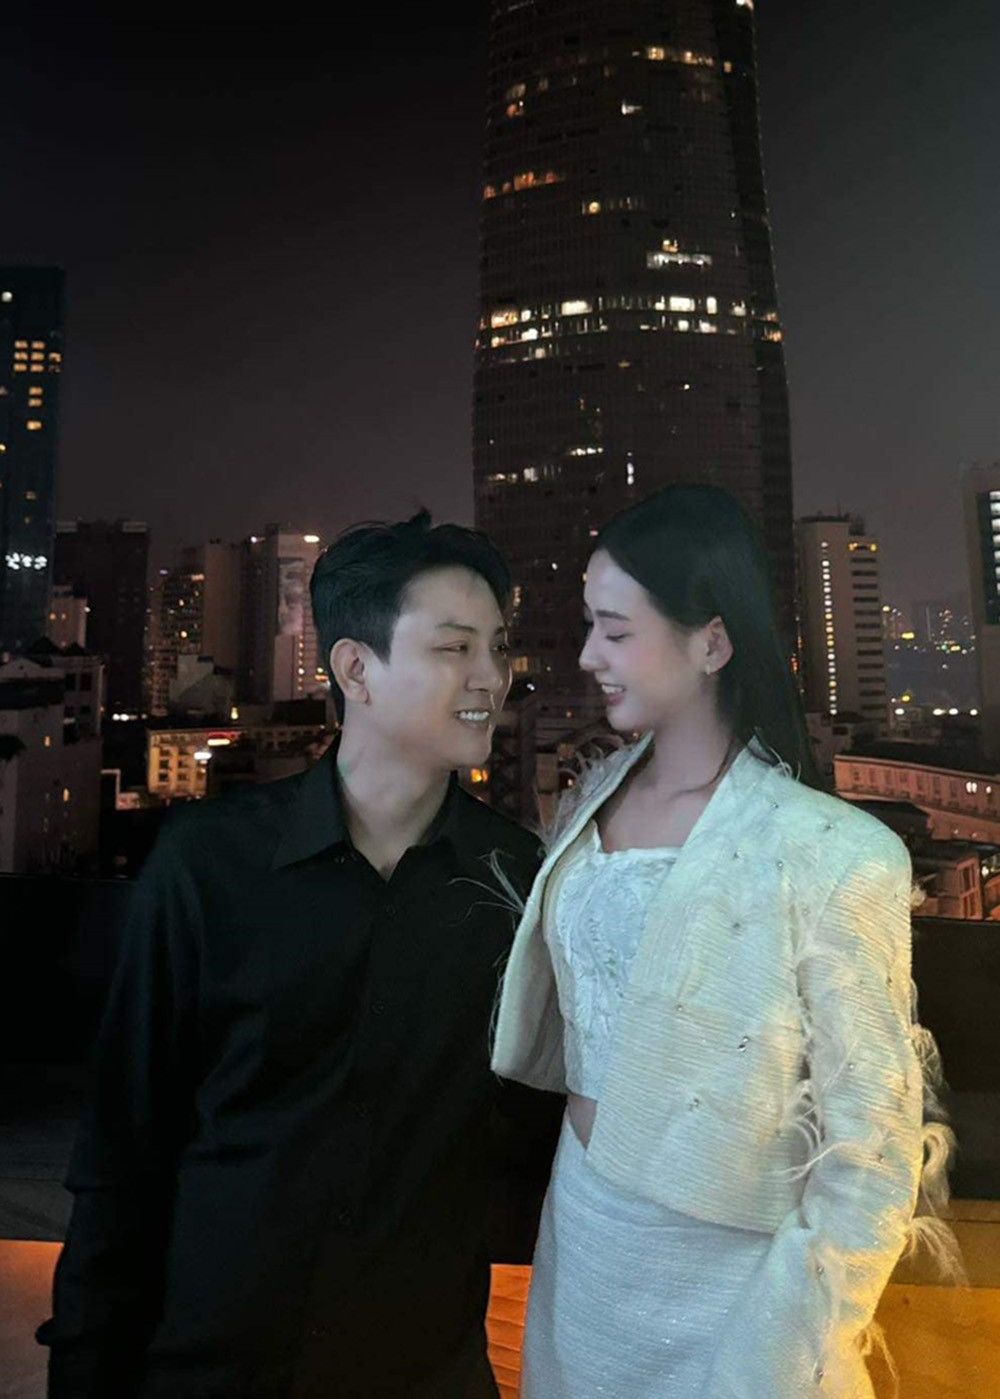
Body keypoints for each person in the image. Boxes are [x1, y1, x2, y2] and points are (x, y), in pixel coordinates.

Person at [38, 511, 561, 1399]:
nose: (491, 676)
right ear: (354, 669)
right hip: (210, 1364)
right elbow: (124, 1151)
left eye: (499, 647)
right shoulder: (210, 861)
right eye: (454, 648)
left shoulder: (517, 882)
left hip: (423, 1372)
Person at [491, 484, 958, 1398]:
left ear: (711, 642)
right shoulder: (588, 803)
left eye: (615, 631)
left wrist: (787, 1340)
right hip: (582, 1241)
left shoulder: (833, 850)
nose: (587, 656)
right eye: (589, 627)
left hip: (732, 1273)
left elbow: (872, 1146)